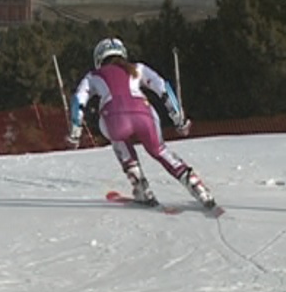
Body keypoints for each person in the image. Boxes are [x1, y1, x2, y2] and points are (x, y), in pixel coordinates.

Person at [65, 37, 216, 209]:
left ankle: (140, 186)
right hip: (143, 114)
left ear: (99, 58)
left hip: (113, 118)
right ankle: (197, 186)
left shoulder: (93, 76)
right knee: (160, 151)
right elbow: (163, 88)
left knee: (116, 136)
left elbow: (78, 101)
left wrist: (75, 133)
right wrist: (179, 119)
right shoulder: (138, 68)